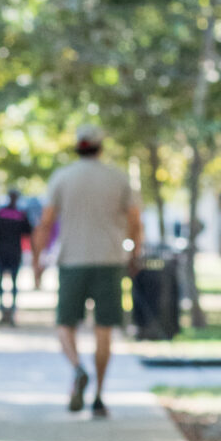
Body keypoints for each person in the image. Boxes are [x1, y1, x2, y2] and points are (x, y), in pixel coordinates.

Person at [31, 125, 143, 416]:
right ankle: (99, 397)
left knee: (64, 324)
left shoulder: (62, 177)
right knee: (103, 330)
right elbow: (135, 221)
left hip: (72, 261)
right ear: (100, 147)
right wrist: (134, 253)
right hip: (110, 260)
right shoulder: (118, 178)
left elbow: (45, 222)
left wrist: (37, 261)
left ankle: (78, 369)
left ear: (77, 147)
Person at [0, 184, 32, 323]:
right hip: (15, 251)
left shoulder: (0, 213)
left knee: (1, 280)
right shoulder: (21, 215)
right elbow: (28, 231)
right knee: (14, 281)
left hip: (2, 250)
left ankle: (2, 308)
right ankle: (11, 310)